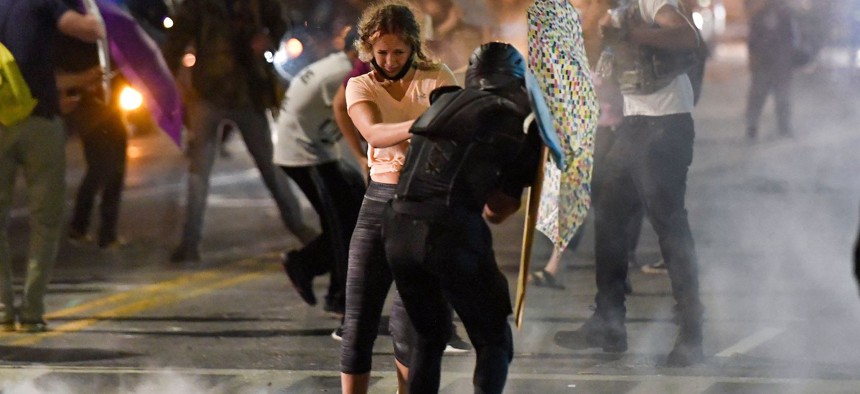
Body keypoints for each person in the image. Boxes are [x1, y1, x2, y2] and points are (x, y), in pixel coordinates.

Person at [383, 42, 542, 394]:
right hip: (448, 231)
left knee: (429, 337)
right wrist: (531, 158)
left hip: (397, 229)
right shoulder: (509, 121)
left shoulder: (444, 103)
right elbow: (497, 211)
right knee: (493, 340)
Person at [339, 2, 457, 393]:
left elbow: (456, 131)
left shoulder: (437, 76)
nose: (390, 60)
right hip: (381, 200)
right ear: (369, 49)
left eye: (399, 52)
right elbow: (373, 133)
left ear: (413, 47)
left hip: (425, 204)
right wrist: (427, 122)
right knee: (359, 321)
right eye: (382, 52)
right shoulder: (361, 85)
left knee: (409, 325)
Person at [582, 0, 705, 367]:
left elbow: (688, 36)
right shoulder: (615, 12)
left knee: (669, 225)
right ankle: (609, 322)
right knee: (608, 213)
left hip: (665, 124)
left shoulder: (648, 4)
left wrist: (630, 33)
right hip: (635, 124)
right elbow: (608, 74)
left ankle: (692, 333)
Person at [162, 0, 318, 262]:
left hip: (245, 90)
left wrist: (267, 40)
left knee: (267, 167)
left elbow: (279, 23)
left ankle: (298, 227)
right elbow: (176, 41)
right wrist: (171, 81)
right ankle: (189, 244)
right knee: (200, 172)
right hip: (211, 92)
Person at [0, 0, 104, 332]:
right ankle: (31, 311)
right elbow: (85, 29)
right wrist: (102, 16)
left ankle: (3, 309)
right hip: (39, 122)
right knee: (46, 220)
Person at [275, 27, 366, 316]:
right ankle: (338, 296)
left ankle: (305, 264)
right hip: (304, 154)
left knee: (348, 218)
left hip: (314, 148)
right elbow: (358, 114)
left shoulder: (338, 65)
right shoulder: (341, 75)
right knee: (345, 226)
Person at [744, 0, 796, 140]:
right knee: (758, 97)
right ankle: (752, 128)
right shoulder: (759, 14)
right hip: (764, 63)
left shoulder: (784, 13)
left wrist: (788, 59)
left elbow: (790, 38)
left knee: (782, 98)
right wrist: (753, 59)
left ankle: (784, 127)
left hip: (779, 63)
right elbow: (753, 40)